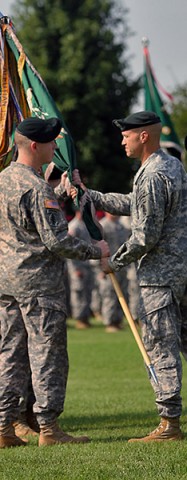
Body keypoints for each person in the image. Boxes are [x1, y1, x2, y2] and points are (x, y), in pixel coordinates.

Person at [72, 110, 187, 442]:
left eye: (127, 135)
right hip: (178, 271)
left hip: (160, 276)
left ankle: (169, 424)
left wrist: (114, 262)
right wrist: (89, 194)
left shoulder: (152, 175)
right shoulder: (170, 166)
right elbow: (133, 204)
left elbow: (145, 236)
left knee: (161, 345)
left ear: (144, 136)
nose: (122, 140)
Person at [0, 116, 109, 448]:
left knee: (9, 352)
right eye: (50, 143)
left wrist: (62, 190)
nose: (54, 147)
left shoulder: (4, 180)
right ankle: (49, 427)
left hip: (6, 281)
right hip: (38, 283)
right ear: (35, 146)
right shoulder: (36, 187)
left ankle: (4, 427)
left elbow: (27, 218)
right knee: (47, 352)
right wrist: (96, 250)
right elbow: (57, 241)